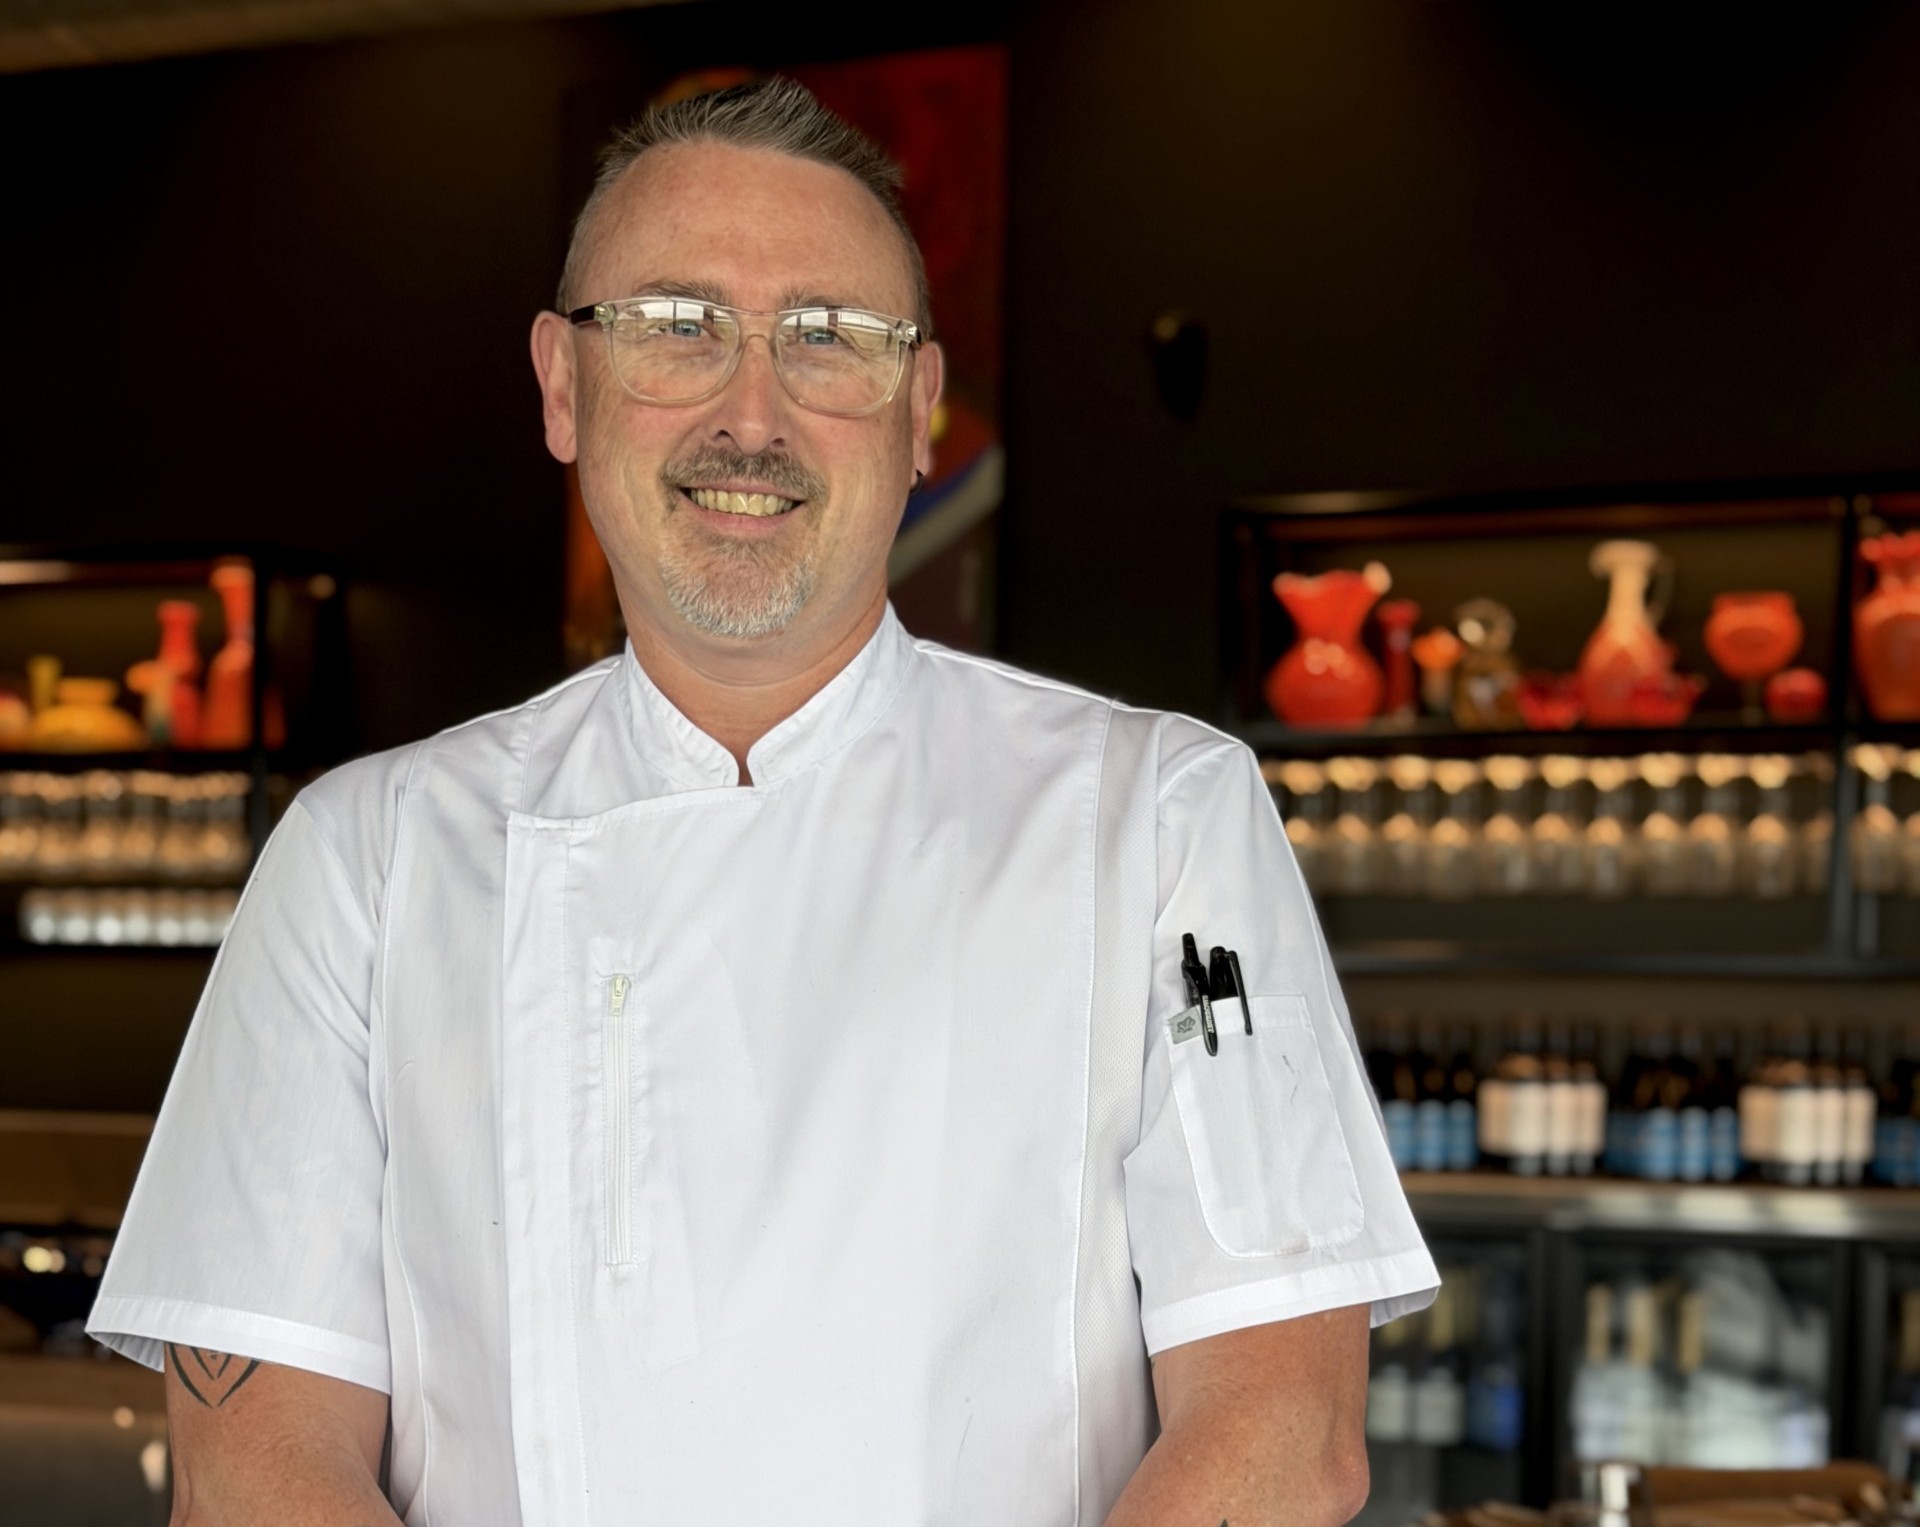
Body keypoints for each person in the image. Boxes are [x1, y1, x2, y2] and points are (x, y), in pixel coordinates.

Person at [88, 79, 1436, 1524]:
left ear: (920, 412)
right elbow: (255, 1465)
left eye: (828, 337)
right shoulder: (363, 862)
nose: (751, 413)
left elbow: (1284, 1434)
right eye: (676, 326)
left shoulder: (1161, 821)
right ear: (561, 386)